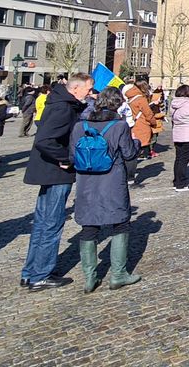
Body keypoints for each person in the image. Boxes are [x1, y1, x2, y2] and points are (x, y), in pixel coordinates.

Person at [20, 72, 94, 292]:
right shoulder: (63, 107)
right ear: (75, 88)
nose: (91, 93)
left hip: (48, 171)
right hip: (56, 172)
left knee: (43, 222)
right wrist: (65, 159)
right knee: (51, 223)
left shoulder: (61, 102)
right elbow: (44, 140)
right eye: (88, 89)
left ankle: (30, 271)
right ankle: (40, 274)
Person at [70, 86, 142, 292]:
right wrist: (136, 142)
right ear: (118, 104)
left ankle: (89, 278)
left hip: (86, 182)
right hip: (112, 180)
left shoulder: (79, 126)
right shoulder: (119, 126)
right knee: (120, 224)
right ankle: (118, 275)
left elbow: (71, 155)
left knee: (89, 227)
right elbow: (129, 154)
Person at [168, 84, 189, 192]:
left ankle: (176, 181)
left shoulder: (173, 104)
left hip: (178, 134)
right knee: (184, 159)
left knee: (178, 158)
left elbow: (172, 118)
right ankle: (181, 183)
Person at [122, 80, 157, 185]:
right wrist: (153, 123)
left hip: (130, 125)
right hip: (140, 126)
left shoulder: (129, 97)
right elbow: (148, 113)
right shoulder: (141, 99)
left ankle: (126, 175)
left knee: (129, 151)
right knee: (134, 153)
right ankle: (130, 178)